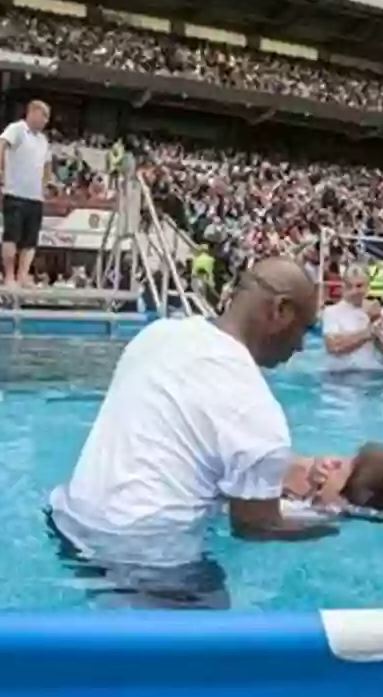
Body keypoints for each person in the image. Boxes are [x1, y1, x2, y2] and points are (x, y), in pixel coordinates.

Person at [47, 258, 328, 609]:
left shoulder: (159, 334)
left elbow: (173, 442)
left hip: (69, 526)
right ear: (280, 310)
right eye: (305, 328)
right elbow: (256, 527)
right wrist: (334, 523)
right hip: (148, 564)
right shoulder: (256, 409)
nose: (301, 346)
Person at [0, 100, 52, 287]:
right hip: (15, 193)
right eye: (44, 116)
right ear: (33, 113)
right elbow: (0, 143)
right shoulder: (17, 129)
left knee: (30, 241)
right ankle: (9, 275)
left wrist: (45, 183)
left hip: (35, 197)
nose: (45, 121)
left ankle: (22, 275)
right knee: (11, 237)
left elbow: (48, 163)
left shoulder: (43, 140)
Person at [282, 442, 383, 520]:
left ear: (338, 502)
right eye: (346, 458)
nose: (334, 461)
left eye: (338, 470)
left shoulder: (295, 512)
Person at [322, 265, 383, 370]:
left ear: (368, 286)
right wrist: (368, 333)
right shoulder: (332, 312)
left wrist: (376, 319)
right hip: (341, 375)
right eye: (349, 286)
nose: (354, 291)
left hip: (370, 372)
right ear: (343, 287)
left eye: (359, 286)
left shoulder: (374, 310)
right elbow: (333, 347)